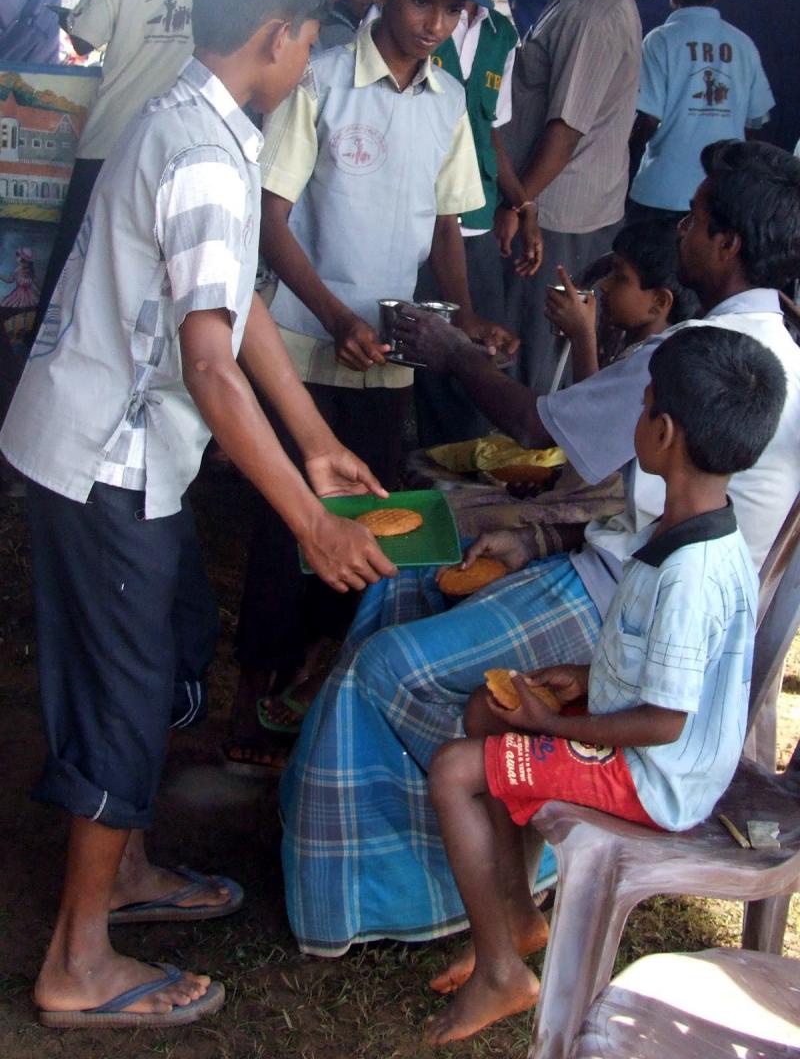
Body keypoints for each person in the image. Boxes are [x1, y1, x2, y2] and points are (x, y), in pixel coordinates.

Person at [0, 0, 397, 1029]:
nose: (309, 57)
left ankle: (124, 871)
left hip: (116, 455)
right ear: (277, 36)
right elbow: (212, 366)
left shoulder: (190, 121)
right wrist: (310, 521)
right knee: (125, 695)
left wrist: (313, 439)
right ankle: (77, 963)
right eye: (308, 40)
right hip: (107, 462)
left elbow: (234, 297)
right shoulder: (208, 159)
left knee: (169, 642)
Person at [278, 139, 800, 958]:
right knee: (402, 588)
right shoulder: (771, 347)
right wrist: (544, 534)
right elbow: (636, 507)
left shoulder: (706, 357)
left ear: (727, 244)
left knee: (385, 668)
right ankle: (453, 854)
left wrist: (452, 353)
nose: (682, 230)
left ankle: (406, 889)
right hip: (621, 585)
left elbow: (540, 427)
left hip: (624, 611)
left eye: (696, 221)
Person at [424, 325, 787, 1045]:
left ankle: (500, 971)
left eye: (643, 404)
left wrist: (555, 725)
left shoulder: (690, 574)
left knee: (453, 770)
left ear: (663, 431)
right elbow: (674, 674)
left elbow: (663, 722)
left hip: (657, 776)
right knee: (488, 709)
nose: (637, 416)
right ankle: (517, 912)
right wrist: (588, 677)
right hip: (656, 739)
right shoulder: (698, 527)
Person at [227, 0, 517, 771]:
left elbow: (446, 225)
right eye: (423, 1)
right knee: (286, 530)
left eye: (452, 10)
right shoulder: (320, 79)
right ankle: (248, 703)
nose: (435, 23)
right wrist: (333, 315)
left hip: (389, 359)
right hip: (301, 349)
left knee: (366, 526)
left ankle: (309, 699)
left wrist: (463, 318)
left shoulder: (449, 103)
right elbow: (271, 219)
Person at [34, 0, 212, 333]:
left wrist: (71, 20)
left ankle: (47, 349)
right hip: (183, 145)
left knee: (73, 262)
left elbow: (84, 40)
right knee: (162, 273)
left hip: (110, 137)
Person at [498, 0, 641, 395]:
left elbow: (566, 130)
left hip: (561, 213)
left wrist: (519, 203)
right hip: (550, 203)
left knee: (536, 351)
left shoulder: (594, 14)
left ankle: (528, 440)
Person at [414, 0, 536, 445]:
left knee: (477, 355)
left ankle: (463, 472)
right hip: (417, 221)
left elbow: (490, 130)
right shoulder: (409, 20)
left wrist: (522, 203)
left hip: (477, 219)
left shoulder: (501, 33)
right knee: (422, 362)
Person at [629, 0, 774, 221]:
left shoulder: (660, 40)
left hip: (662, 192)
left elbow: (648, 118)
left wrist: (625, 158)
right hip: (721, 194)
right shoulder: (743, 44)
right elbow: (755, 123)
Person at [543, 217, 700, 381]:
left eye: (620, 278)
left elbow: (591, 397)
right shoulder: (634, 345)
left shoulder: (652, 367)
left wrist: (582, 336)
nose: (604, 284)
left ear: (659, 302)